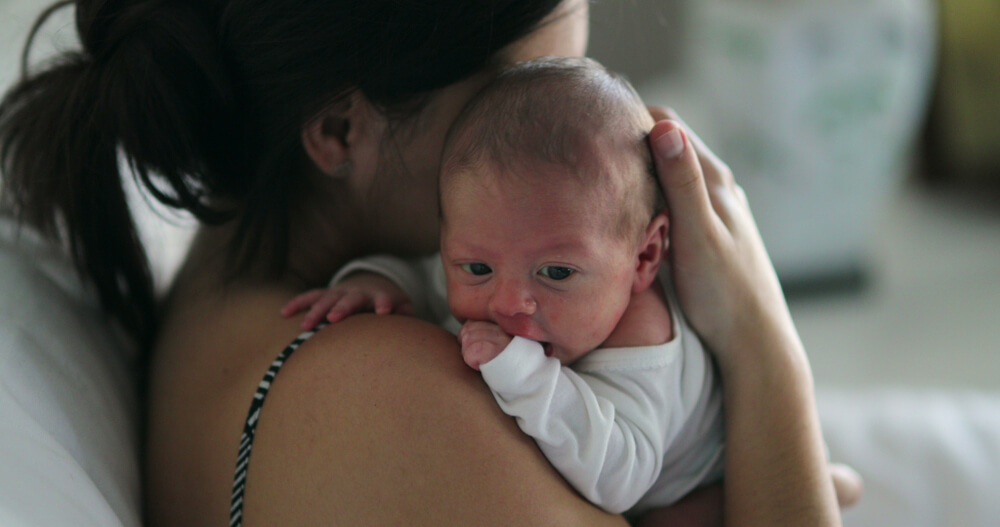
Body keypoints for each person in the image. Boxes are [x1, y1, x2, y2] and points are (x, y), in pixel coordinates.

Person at [0, 0, 853, 526]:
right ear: (340, 132)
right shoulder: (394, 405)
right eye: (522, 100)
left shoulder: (235, 279)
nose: (581, 138)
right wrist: (766, 351)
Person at [283, 57, 861, 520]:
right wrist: (376, 283)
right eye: (476, 268)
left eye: (556, 274)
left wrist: (529, 379)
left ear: (645, 258)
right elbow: (425, 273)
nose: (509, 303)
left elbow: (623, 478)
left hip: (690, 476)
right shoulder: (502, 254)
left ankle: (823, 483)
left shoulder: (641, 340)